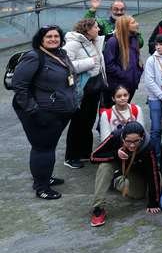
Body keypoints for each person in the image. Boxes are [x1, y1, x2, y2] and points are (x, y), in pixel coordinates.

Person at [11, 25, 79, 199]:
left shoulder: (60, 54)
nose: (53, 39)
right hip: (42, 113)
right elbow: (19, 86)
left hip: (59, 111)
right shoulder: (34, 57)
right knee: (43, 148)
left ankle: (44, 178)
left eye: (56, 36)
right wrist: (34, 111)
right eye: (49, 36)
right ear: (41, 39)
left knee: (49, 147)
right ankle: (42, 188)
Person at [89, 121, 162, 226]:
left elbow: (153, 172)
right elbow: (93, 157)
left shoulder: (148, 145)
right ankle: (98, 208)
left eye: (136, 141)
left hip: (136, 170)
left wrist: (153, 202)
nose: (132, 145)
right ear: (122, 138)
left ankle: (115, 181)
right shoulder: (115, 136)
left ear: (142, 138)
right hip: (117, 163)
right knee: (104, 166)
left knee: (139, 194)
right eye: (128, 141)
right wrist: (115, 154)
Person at [63, 18, 106, 169]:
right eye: (96, 27)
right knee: (77, 123)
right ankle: (71, 157)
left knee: (88, 121)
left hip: (93, 89)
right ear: (87, 29)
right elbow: (65, 65)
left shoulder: (93, 41)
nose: (98, 30)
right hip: (81, 90)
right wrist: (89, 63)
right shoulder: (73, 44)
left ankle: (85, 153)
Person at [103, 15, 143, 102]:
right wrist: (125, 75)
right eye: (133, 22)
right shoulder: (113, 42)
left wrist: (138, 73)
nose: (137, 24)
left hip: (131, 85)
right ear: (125, 26)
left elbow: (137, 60)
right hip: (117, 87)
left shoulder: (134, 39)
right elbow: (109, 65)